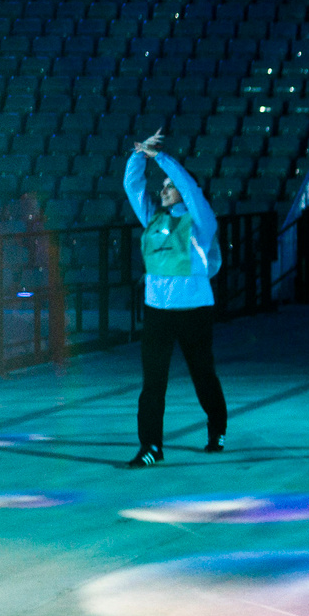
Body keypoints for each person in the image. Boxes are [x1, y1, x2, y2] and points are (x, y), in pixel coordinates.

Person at [122, 131, 225, 466]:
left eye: (169, 186)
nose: (163, 190)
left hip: (194, 310)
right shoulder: (153, 218)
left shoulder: (200, 221)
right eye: (162, 186)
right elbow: (132, 186)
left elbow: (190, 189)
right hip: (158, 312)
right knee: (153, 383)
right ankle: (151, 446)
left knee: (202, 375)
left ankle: (217, 427)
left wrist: (162, 159)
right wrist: (140, 154)